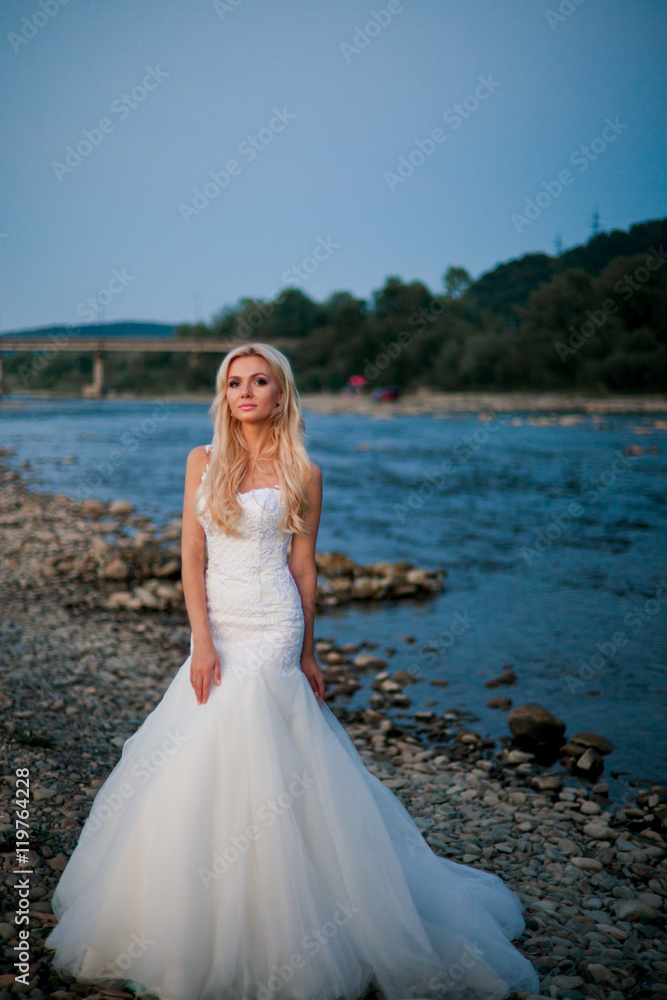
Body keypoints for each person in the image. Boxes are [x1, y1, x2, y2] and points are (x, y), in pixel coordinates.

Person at [45, 343, 540, 1000]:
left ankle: (299, 909)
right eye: (233, 383)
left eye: (258, 381)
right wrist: (200, 642)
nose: (245, 392)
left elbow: (302, 568)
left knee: (264, 740)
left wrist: (308, 652)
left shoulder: (304, 470)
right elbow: (190, 558)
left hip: (275, 625)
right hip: (218, 623)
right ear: (223, 395)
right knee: (202, 745)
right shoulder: (201, 461)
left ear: (281, 393)